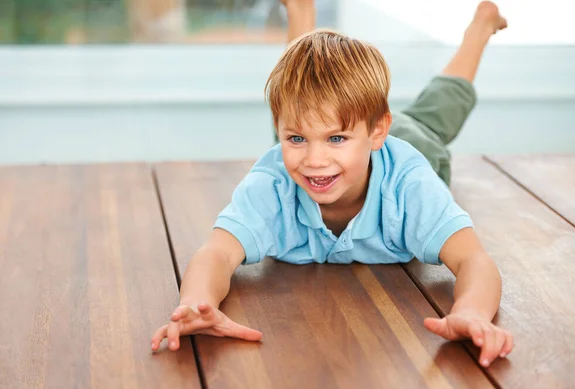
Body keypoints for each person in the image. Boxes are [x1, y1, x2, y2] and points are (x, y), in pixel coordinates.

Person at [151, 0, 513, 368]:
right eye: (294, 139)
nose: (315, 159)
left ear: (377, 132)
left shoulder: (410, 183)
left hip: (414, 140)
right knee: (305, 122)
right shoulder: (275, 180)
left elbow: (474, 260)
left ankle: (480, 27)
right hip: (340, 132)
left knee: (437, 112)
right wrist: (197, 303)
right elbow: (217, 252)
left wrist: (472, 312)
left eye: (336, 138)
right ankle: (302, 16)